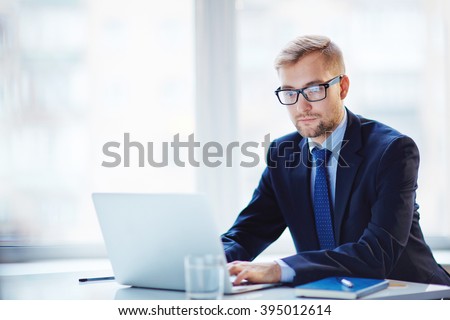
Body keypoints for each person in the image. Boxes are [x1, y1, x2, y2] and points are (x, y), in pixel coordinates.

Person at [222, 34, 450, 286]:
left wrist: (278, 269)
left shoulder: (392, 151)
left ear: (342, 88)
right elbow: (248, 232)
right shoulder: (283, 153)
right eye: (290, 93)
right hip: (332, 296)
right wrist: (207, 259)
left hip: (412, 295)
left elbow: (377, 254)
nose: (302, 106)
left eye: (314, 89)